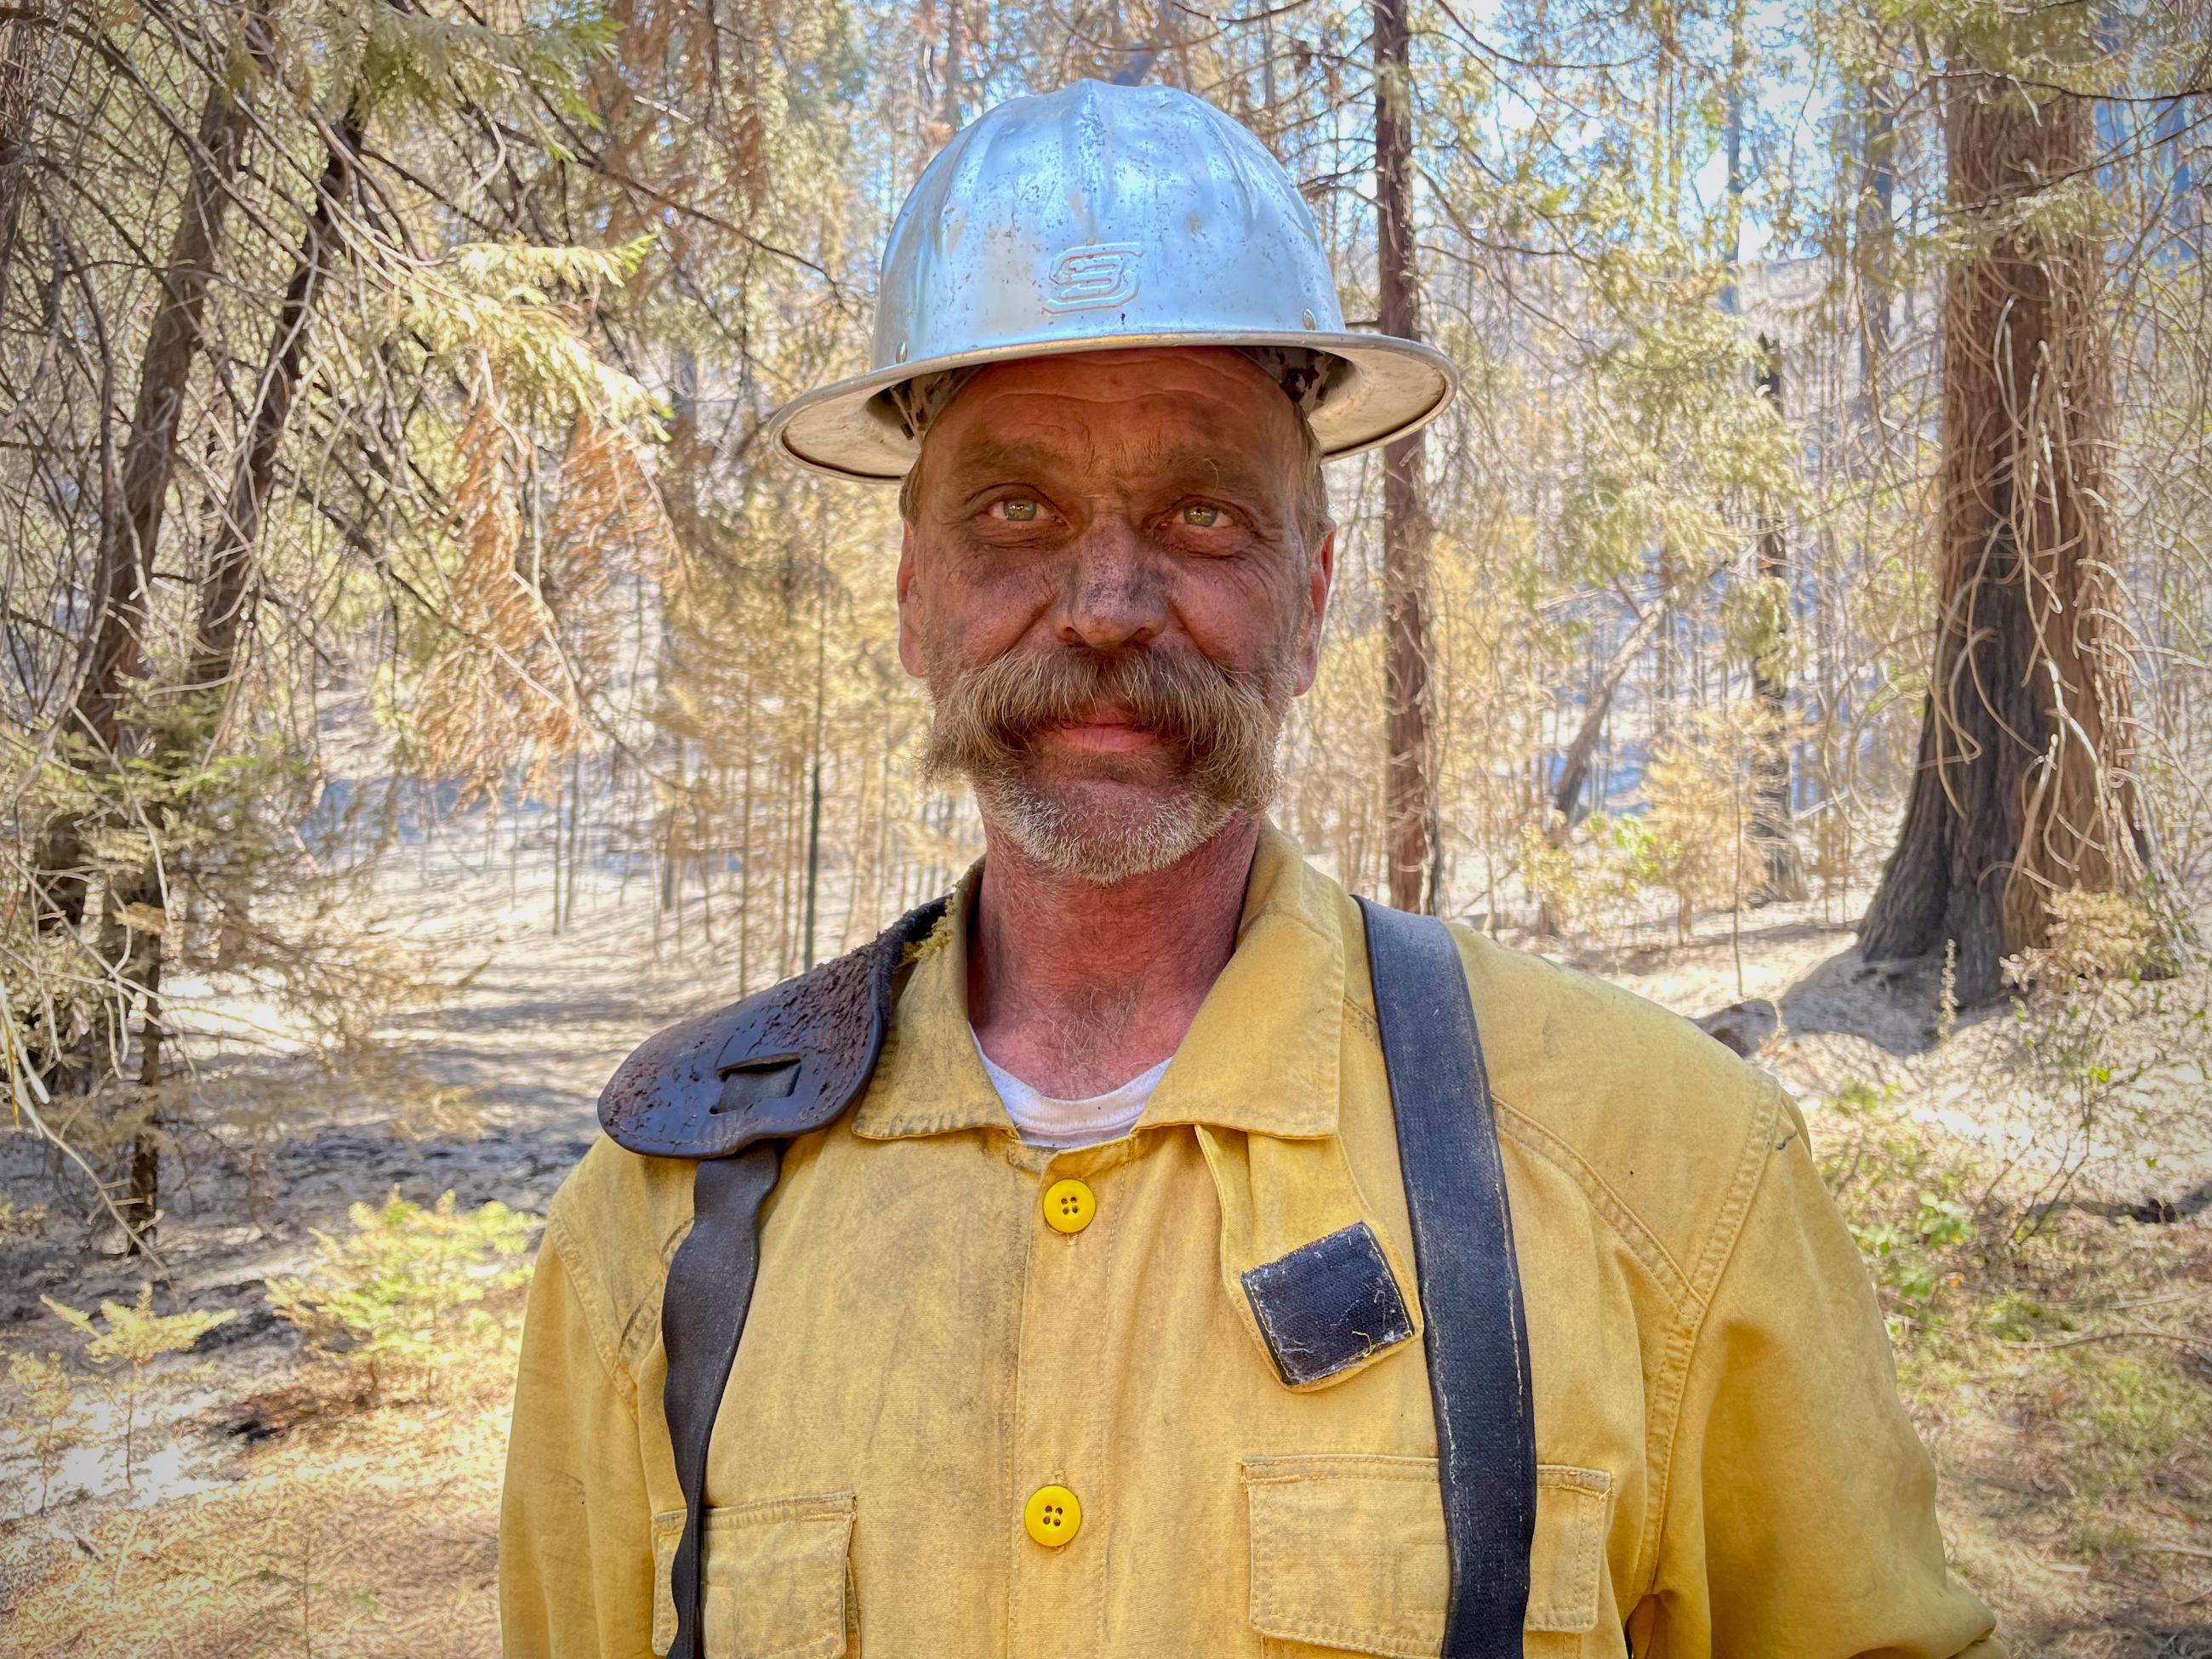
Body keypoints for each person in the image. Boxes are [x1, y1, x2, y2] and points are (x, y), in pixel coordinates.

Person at [499, 80, 2004, 1659]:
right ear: (913, 592)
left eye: (1202, 513)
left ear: (1315, 589)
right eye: (1016, 508)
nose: (1104, 600)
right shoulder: (665, 1216)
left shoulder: (1668, 1172)